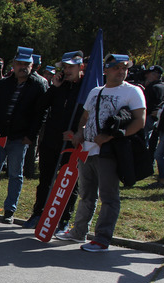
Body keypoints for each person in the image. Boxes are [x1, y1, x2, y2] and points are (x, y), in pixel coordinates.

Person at [56, 54, 146, 252]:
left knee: (109, 196)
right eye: (116, 67)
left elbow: (140, 121)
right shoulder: (95, 91)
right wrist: (79, 132)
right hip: (87, 150)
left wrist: (112, 136)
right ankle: (79, 232)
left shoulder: (133, 91)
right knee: (86, 194)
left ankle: (102, 239)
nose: (121, 71)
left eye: (124, 68)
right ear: (106, 70)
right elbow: (85, 116)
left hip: (110, 152)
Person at [0, 46, 49, 222]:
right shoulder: (3, 83)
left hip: (20, 138)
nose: (22, 67)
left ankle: (9, 210)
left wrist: (31, 136)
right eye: (19, 63)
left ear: (32, 65)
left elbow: (40, 114)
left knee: (15, 174)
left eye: (27, 64)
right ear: (13, 64)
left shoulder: (38, 85)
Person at [23, 50, 87, 229]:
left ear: (80, 67)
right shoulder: (60, 87)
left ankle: (64, 219)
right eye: (65, 67)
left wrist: (76, 133)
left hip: (72, 142)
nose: (67, 70)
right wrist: (54, 87)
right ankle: (38, 213)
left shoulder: (87, 88)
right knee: (45, 179)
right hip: (51, 140)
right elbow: (41, 106)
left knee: (69, 181)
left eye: (71, 67)